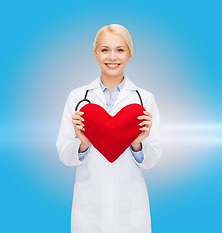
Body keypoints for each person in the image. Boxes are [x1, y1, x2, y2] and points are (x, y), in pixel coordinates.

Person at [56, 24, 162, 233]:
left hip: (131, 211)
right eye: (105, 50)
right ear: (95, 54)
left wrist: (137, 142)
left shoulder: (144, 99)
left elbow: (153, 158)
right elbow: (64, 153)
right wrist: (83, 144)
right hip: (90, 209)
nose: (112, 57)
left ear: (129, 54)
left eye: (120, 50)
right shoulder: (78, 97)